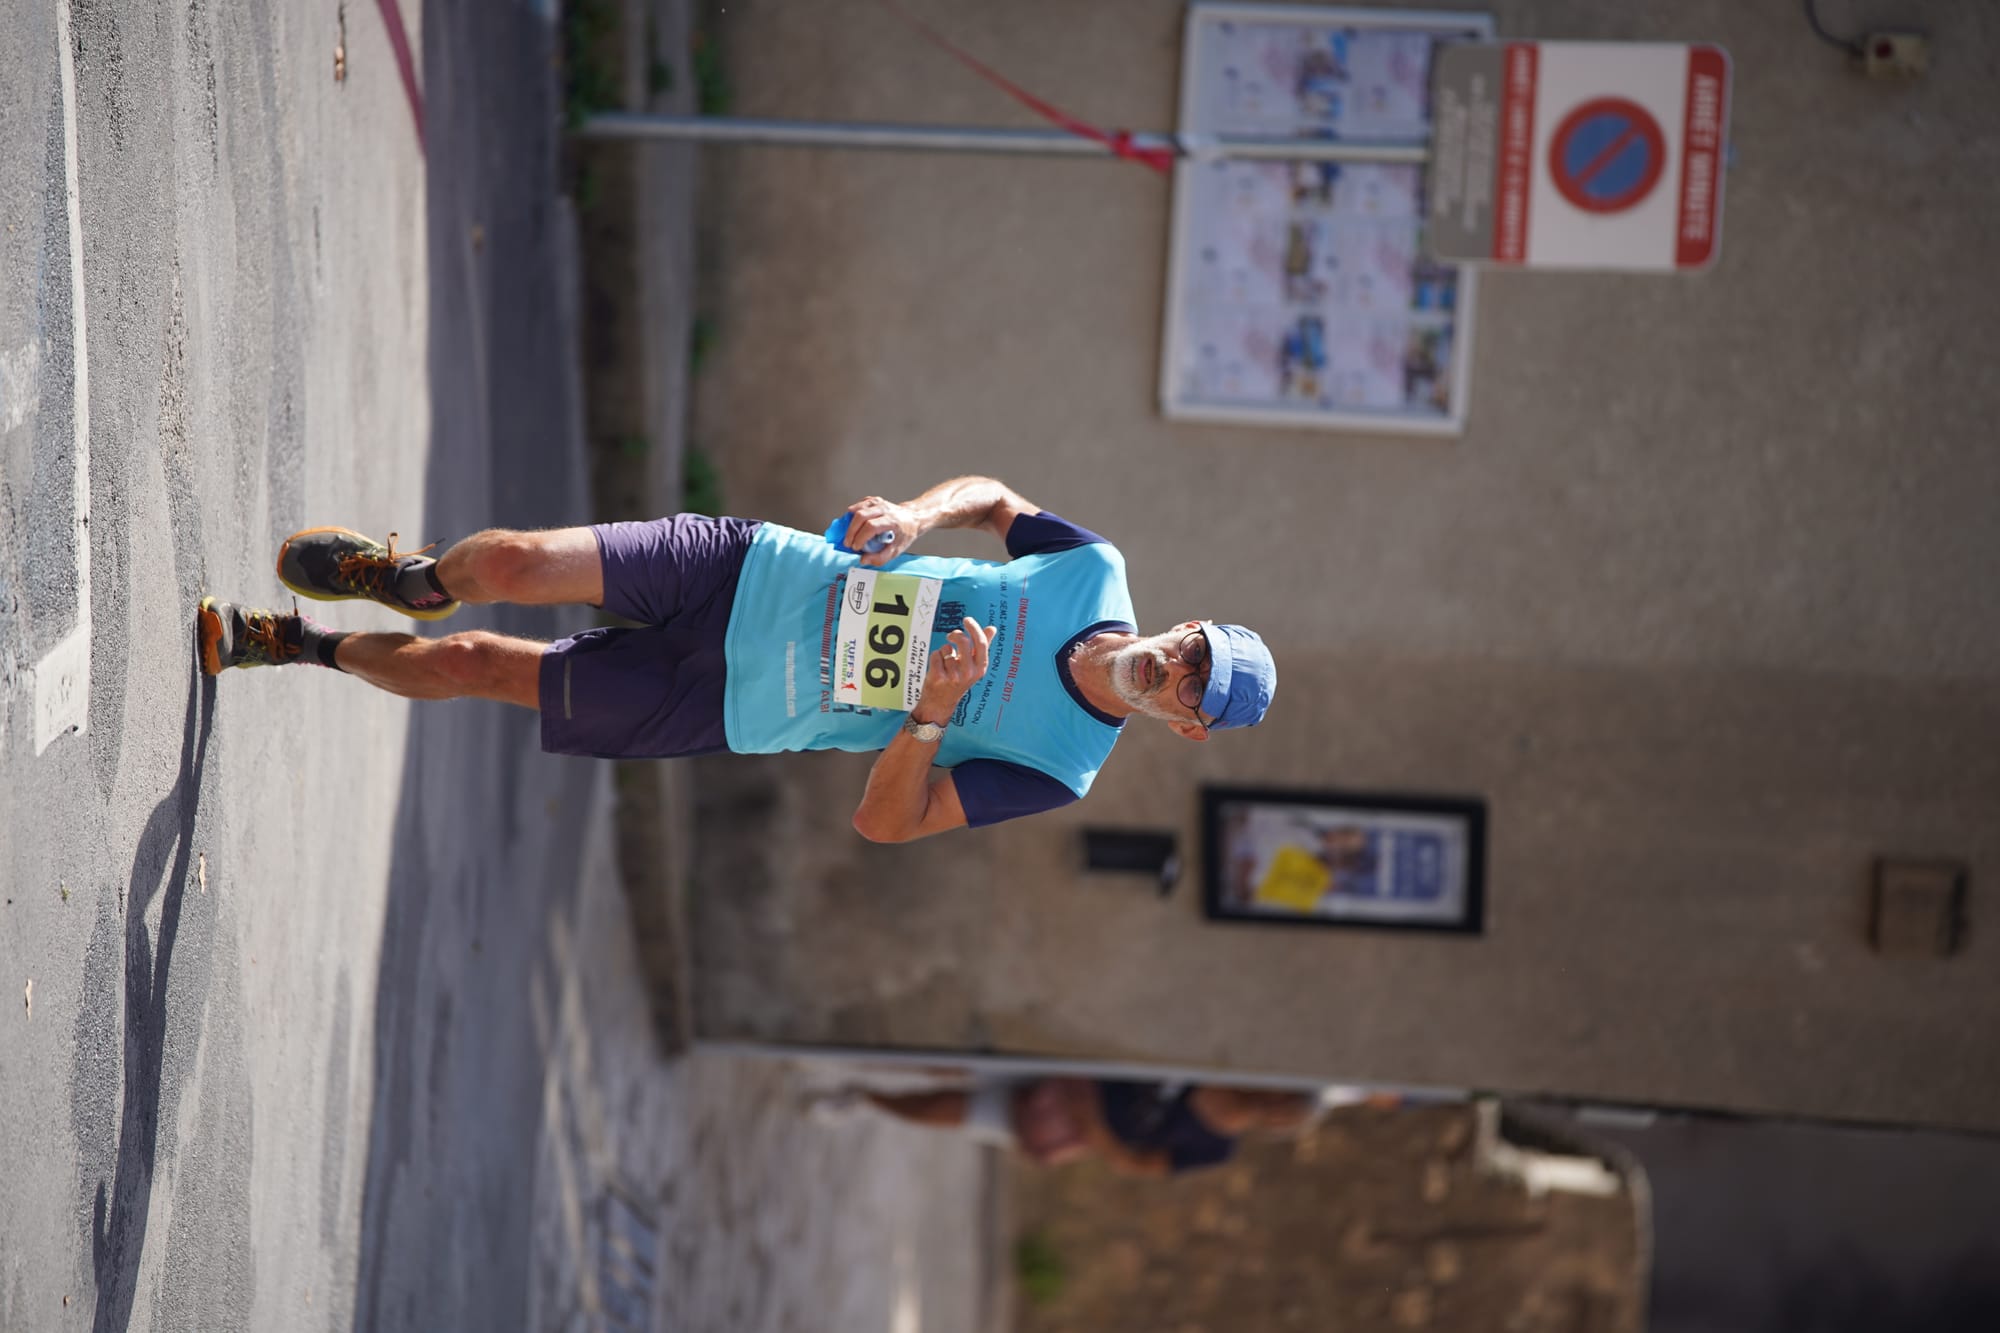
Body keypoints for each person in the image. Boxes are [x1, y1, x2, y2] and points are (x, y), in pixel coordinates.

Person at [195, 476, 1276, 840]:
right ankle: (415, 577)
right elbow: (993, 501)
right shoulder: (1093, 573)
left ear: (1180, 723)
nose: (1173, 668)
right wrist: (912, 512)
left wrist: (932, 715)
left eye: (1191, 689)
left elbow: (885, 822)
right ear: (1183, 625)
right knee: (513, 563)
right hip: (754, 571)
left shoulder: (1059, 769)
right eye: (1190, 649)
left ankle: (299, 645)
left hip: (728, 701)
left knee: (482, 662)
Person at [806, 1076, 1322, 1178]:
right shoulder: (1218, 1068)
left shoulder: (1215, 1148)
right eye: (1284, 1100)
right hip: (1065, 1068)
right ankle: (863, 1061)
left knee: (949, 1109)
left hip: (1067, 1119)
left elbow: (1138, 1163)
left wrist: (1090, 1124)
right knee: (951, 1065)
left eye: (1284, 1116)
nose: (1274, 1109)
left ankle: (864, 1097)